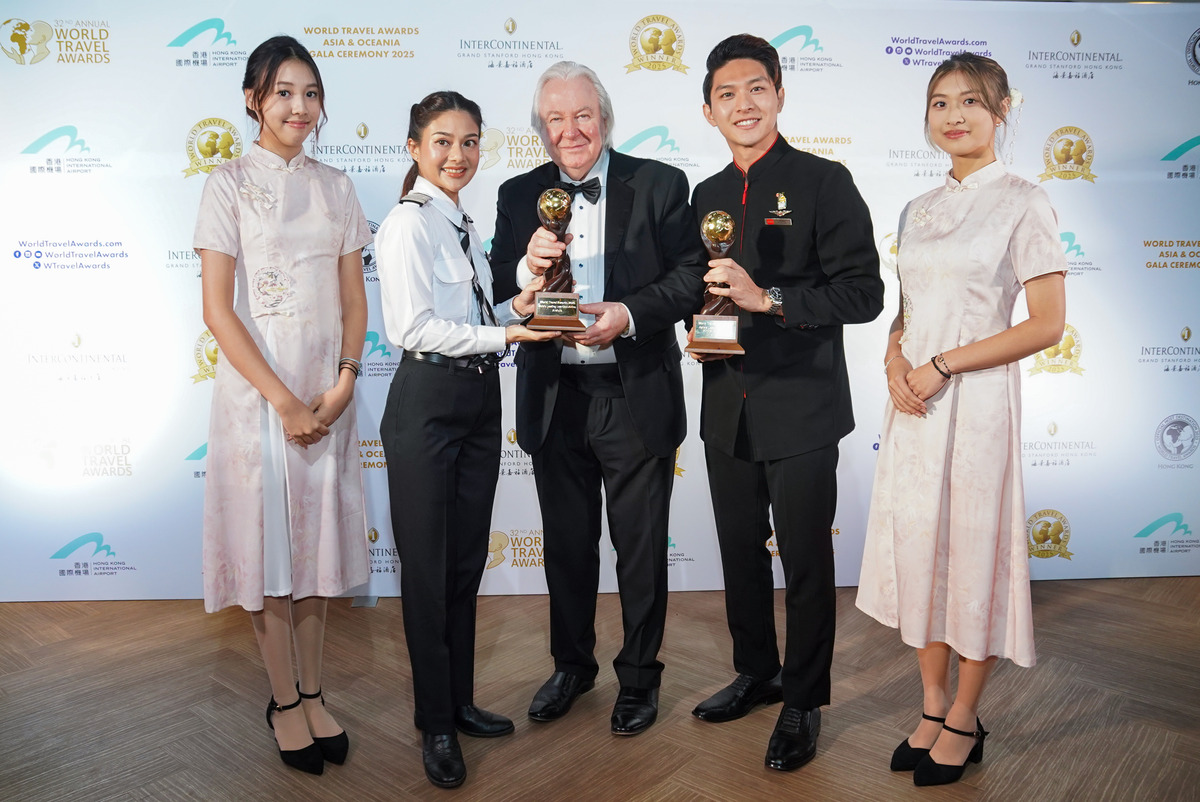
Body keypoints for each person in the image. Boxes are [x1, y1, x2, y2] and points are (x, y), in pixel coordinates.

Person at [856, 52, 1067, 787]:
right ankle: (932, 705)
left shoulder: (1024, 201)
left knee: (972, 557)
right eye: (940, 102)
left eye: (971, 101)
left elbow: (1046, 324)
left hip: (975, 407)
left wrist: (943, 364)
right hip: (913, 407)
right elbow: (907, 309)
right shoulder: (916, 207)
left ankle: (968, 718)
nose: (954, 115)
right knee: (922, 553)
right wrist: (893, 360)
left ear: (1001, 110)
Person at [490, 61, 708, 736]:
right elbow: (496, 290)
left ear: (606, 120)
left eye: (583, 115)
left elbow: (692, 276)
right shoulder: (517, 193)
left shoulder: (660, 183)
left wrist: (630, 314)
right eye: (555, 119)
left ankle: (639, 677)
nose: (571, 130)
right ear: (540, 130)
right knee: (566, 546)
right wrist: (526, 269)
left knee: (639, 549)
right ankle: (572, 665)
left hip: (633, 394)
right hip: (554, 394)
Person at [688, 34, 884, 771]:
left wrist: (768, 297)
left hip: (801, 404)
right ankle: (757, 672)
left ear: (779, 94)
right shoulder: (704, 195)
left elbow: (864, 294)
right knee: (739, 551)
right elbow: (696, 286)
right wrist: (696, 329)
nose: (743, 104)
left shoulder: (824, 181)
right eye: (727, 94)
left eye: (756, 89)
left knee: (803, 559)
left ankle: (803, 699)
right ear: (708, 110)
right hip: (725, 403)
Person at [194, 35, 370, 776]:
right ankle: (283, 700)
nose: (300, 107)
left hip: (327, 395)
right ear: (253, 100)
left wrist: (344, 381)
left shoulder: (338, 187)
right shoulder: (227, 184)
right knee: (272, 554)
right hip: (260, 401)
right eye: (283, 92)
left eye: (311, 92)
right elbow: (217, 310)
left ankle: (315, 691)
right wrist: (282, 403)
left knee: (317, 552)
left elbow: (355, 300)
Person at [374, 91, 558, 789]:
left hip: (478, 399)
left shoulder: (459, 221)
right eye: (444, 141)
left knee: (462, 563)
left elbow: (477, 313)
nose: (459, 155)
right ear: (415, 147)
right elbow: (412, 328)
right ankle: (435, 724)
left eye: (471, 142)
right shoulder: (407, 224)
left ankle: (458, 701)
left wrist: (522, 305)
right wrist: (508, 331)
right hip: (427, 402)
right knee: (427, 570)